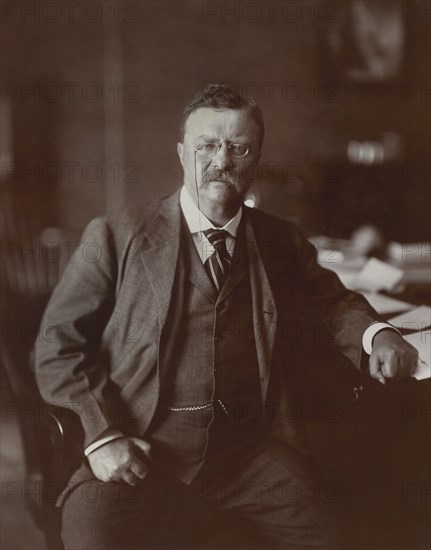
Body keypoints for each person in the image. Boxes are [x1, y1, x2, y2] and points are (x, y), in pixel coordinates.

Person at [35, 84, 418, 550]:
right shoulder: (116, 236)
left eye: (239, 147)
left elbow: (333, 303)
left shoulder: (280, 240)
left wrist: (377, 336)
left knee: (339, 535)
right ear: (182, 153)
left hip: (247, 457)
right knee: (91, 539)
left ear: (256, 158)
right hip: (138, 450)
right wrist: (102, 438)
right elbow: (57, 344)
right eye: (208, 146)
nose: (223, 160)